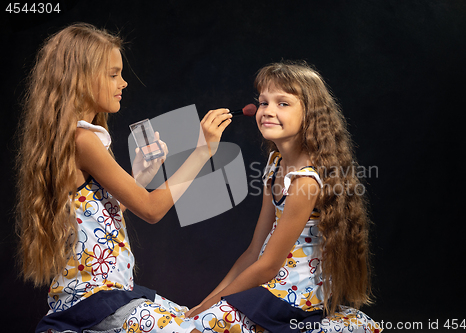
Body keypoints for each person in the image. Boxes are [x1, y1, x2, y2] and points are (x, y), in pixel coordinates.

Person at [15, 23, 232, 333]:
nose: (124, 82)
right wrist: (202, 151)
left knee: (195, 319)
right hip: (96, 305)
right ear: (81, 78)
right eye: (113, 74)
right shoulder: (82, 140)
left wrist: (140, 178)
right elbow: (152, 209)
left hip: (98, 301)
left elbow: (93, 218)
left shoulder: (75, 139)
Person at [180, 61, 382, 333]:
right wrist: (208, 301)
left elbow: (268, 266)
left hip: (297, 296)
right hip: (272, 283)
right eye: (263, 102)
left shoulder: (306, 182)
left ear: (311, 114)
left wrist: (216, 304)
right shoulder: (275, 164)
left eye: (283, 103)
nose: (267, 111)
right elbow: (255, 250)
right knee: (199, 320)